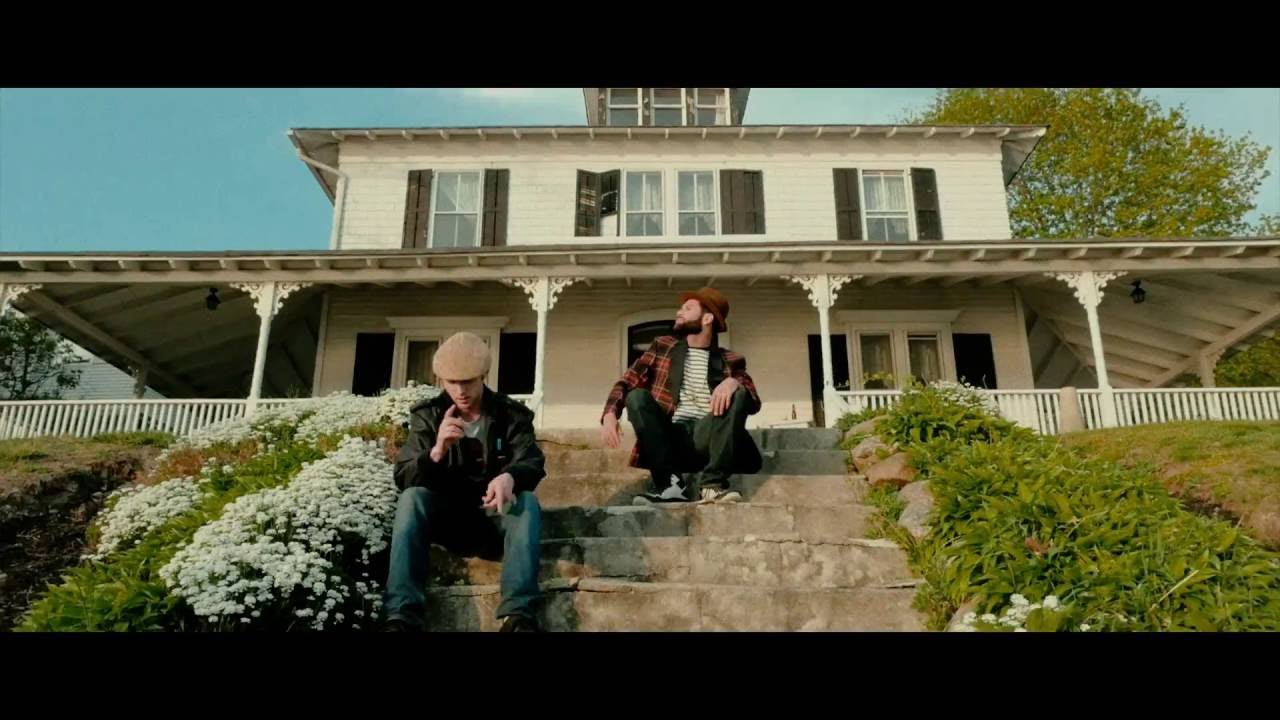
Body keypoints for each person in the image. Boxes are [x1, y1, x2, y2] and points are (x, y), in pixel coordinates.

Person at [384, 331, 547, 632]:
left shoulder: (512, 414)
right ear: (442, 381)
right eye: (452, 382)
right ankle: (401, 615)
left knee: (527, 502)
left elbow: (532, 461)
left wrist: (510, 476)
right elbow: (403, 475)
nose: (460, 391)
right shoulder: (428, 415)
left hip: (494, 517)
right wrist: (436, 451)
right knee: (411, 498)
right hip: (448, 519)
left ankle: (519, 615)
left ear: (483, 376)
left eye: (468, 382)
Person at [599, 287, 763, 505]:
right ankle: (669, 485)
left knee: (739, 392)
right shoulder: (663, 347)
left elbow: (753, 400)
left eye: (688, 308)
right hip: (670, 438)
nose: (679, 312)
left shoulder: (731, 360)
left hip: (709, 437)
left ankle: (713, 485)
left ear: (707, 318)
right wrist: (610, 413)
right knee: (636, 397)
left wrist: (734, 382)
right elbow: (628, 381)